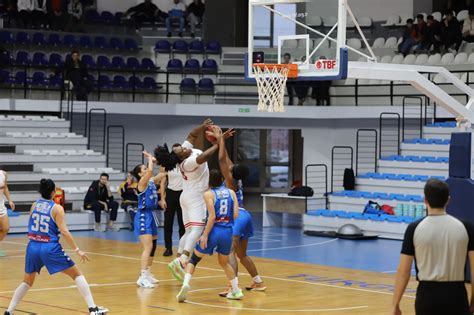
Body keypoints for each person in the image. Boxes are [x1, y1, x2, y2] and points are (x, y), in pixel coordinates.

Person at [3, 179, 108, 315]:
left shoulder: (34, 205)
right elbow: (64, 231)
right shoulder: (57, 208)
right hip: (49, 247)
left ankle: (9, 311)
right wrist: (77, 250)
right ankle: (93, 309)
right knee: (77, 274)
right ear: (53, 192)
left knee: (27, 281)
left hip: (33, 246)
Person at [392, 179, 474, 315]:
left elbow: (403, 271)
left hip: (427, 296)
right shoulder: (466, 228)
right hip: (457, 295)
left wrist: (395, 304)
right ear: (448, 200)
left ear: (425, 200)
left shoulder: (414, 229)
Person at [154, 118, 219, 282]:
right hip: (195, 197)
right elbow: (204, 156)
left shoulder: (184, 151)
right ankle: (183, 259)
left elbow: (191, 135)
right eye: (180, 150)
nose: (183, 147)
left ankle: (178, 257)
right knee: (197, 231)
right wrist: (220, 142)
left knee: (189, 231)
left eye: (181, 146)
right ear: (180, 157)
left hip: (186, 196)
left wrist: (203, 126)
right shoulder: (187, 163)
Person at [212, 128, 266, 297]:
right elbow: (227, 159)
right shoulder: (238, 177)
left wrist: (220, 139)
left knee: (230, 253)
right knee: (242, 254)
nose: (230, 164)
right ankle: (258, 282)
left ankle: (233, 287)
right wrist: (222, 141)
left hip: (236, 217)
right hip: (246, 216)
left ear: (232, 172)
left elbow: (221, 159)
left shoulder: (230, 180)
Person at [176, 169, 243, 302]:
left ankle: (185, 285)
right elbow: (236, 215)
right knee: (224, 263)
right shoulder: (231, 192)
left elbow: (212, 217)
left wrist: (205, 235)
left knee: (194, 259)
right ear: (222, 180)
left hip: (214, 231)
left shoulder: (208, 194)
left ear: (209, 181)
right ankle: (236, 290)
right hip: (227, 232)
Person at [130, 152, 166, 289]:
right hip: (143, 216)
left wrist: (162, 161)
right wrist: (151, 160)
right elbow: (151, 171)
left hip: (152, 215)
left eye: (146, 168)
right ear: (140, 174)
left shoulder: (150, 181)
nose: (147, 169)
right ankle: (142, 276)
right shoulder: (142, 183)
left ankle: (148, 272)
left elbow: (163, 174)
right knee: (148, 247)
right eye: (143, 169)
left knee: (154, 246)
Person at [159, 147, 185, 257]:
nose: (176, 152)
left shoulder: (185, 163)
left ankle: (183, 248)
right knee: (168, 224)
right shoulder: (166, 165)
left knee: (182, 224)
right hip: (170, 194)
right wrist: (163, 198)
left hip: (182, 194)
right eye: (174, 150)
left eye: (178, 150)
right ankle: (168, 248)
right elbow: (162, 183)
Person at [0, 170, 15, 257]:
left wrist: (10, 200)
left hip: (1, 207)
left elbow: (5, 187)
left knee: (6, 228)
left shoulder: (3, 174)